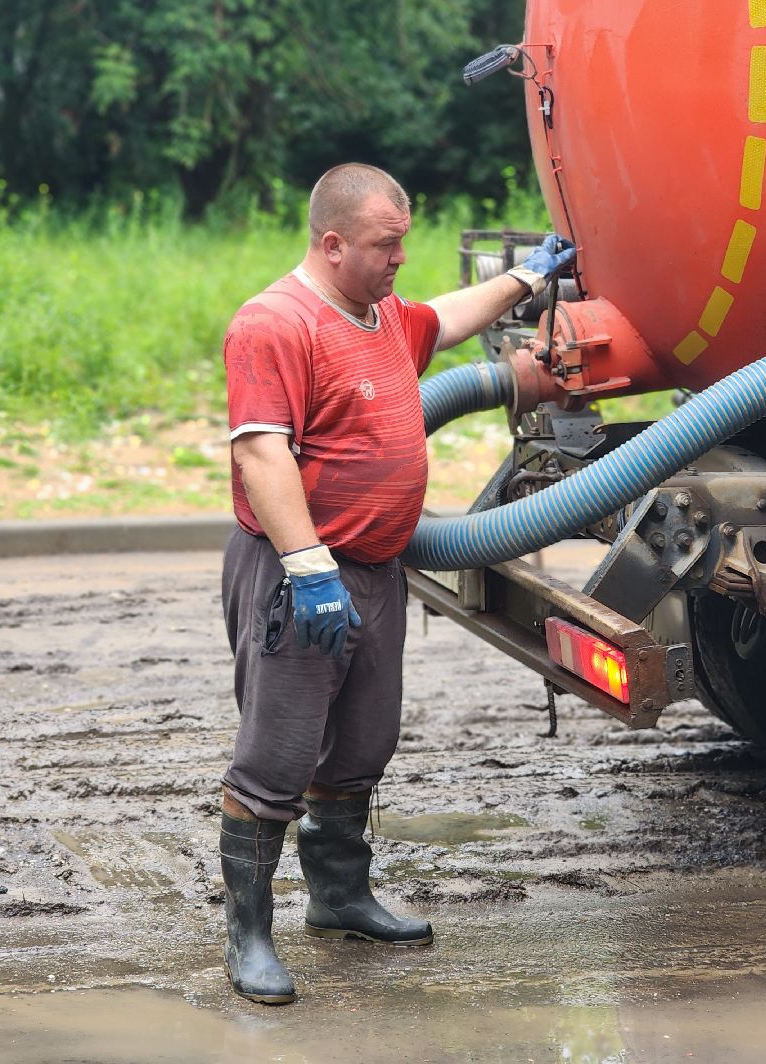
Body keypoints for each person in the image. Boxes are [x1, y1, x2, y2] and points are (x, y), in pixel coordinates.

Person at [219, 162, 575, 1004]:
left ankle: (339, 898)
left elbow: (445, 318)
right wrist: (309, 568)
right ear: (332, 244)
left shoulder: (382, 317)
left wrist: (529, 277)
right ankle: (249, 937)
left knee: (362, 745)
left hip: (377, 569)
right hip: (299, 574)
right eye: (387, 245)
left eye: (403, 243)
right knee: (277, 757)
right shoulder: (274, 324)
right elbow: (261, 453)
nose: (400, 259)